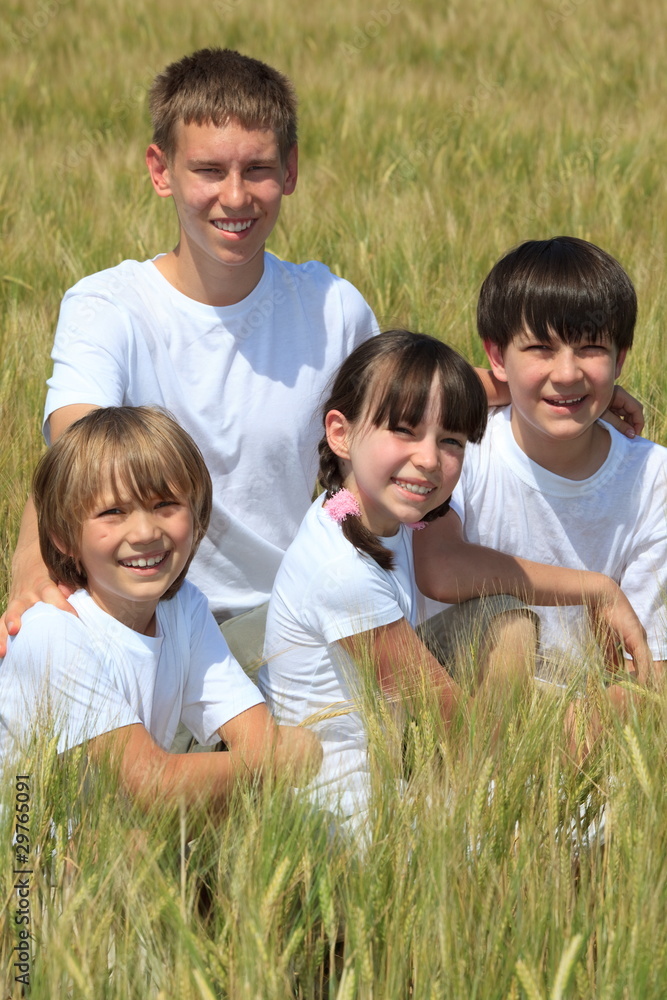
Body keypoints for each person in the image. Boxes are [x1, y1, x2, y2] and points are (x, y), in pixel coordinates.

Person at [0, 50, 643, 668]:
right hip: (157, 615)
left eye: (257, 169)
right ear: (160, 170)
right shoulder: (109, 305)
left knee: (501, 628)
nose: (235, 195)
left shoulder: (329, 305)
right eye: (208, 171)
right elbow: (76, 450)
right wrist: (32, 564)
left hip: (293, 611)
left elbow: (407, 409)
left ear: (291, 171)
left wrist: (554, 389)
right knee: (45, 663)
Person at [259, 330, 543, 824]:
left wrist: (572, 398)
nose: (430, 459)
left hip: (389, 762)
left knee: (506, 619)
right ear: (340, 433)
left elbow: (459, 394)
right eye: (404, 431)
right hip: (346, 809)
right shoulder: (342, 572)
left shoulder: (355, 509)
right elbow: (448, 715)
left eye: (450, 440)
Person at [0, 407, 321, 808]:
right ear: (63, 536)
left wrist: (272, 755)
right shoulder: (53, 632)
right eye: (113, 512)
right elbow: (153, 783)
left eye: (165, 504)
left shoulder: (183, 609)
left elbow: (259, 740)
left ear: (198, 514)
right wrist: (287, 755)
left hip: (117, 854)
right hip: (28, 865)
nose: (145, 532)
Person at [415, 237, 666, 684]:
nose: (567, 372)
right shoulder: (459, 446)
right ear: (496, 356)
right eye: (540, 349)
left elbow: (649, 668)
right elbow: (438, 567)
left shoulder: (654, 479)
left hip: (591, 715)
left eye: (591, 348)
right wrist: (596, 589)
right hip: (453, 698)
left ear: (620, 358)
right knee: (508, 628)